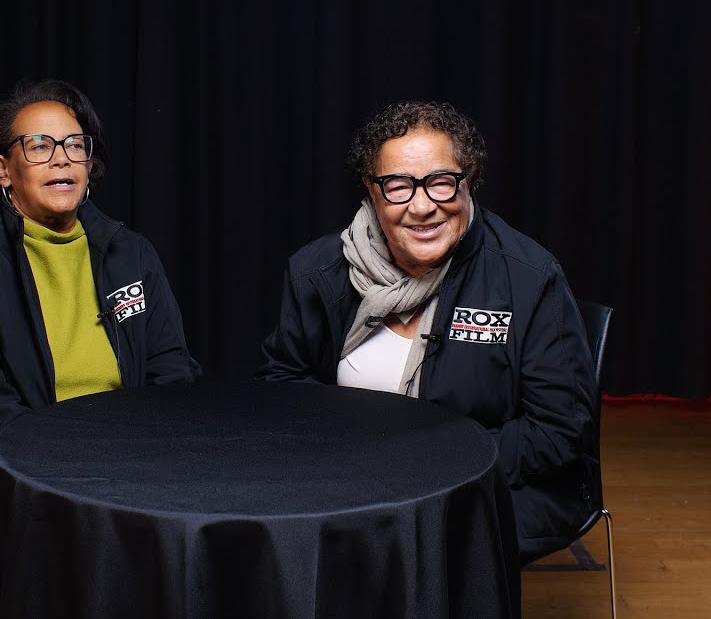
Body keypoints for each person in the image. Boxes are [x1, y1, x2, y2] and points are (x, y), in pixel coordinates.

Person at [0, 78, 201, 619]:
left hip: (131, 462)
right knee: (72, 563)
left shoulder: (131, 253)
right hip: (8, 472)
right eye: (39, 145)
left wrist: (143, 457)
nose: (62, 158)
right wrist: (75, 461)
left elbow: (172, 371)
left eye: (74, 144)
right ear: (2, 169)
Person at [256, 100, 598, 566]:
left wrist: (429, 463)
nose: (422, 207)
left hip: (494, 484)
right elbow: (283, 387)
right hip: (349, 477)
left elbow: (559, 431)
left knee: (416, 544)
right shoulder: (318, 272)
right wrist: (346, 458)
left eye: (441, 181)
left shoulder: (527, 277)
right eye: (398, 185)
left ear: (468, 180)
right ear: (371, 189)